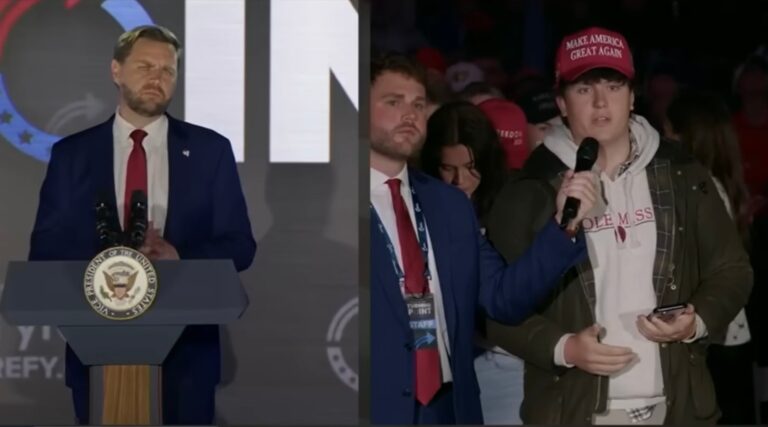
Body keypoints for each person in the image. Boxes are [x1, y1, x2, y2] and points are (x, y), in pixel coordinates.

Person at [484, 27, 753, 425]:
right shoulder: (529, 188)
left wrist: (695, 320)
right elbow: (498, 310)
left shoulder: (683, 174)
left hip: (678, 407)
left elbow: (732, 270)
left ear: (631, 97)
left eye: (613, 86)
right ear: (560, 102)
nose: (599, 102)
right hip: (572, 410)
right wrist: (563, 348)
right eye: (582, 90)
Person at [28, 25, 256, 425]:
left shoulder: (210, 151)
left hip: (187, 354)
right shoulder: (72, 156)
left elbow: (240, 245)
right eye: (146, 66)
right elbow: (45, 249)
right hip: (95, 345)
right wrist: (111, 265)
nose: (157, 78)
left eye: (168, 70)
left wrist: (178, 256)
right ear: (116, 70)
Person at [369, 52, 598, 424]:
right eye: (393, 102)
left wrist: (563, 226)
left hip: (449, 408)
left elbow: (502, 298)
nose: (409, 115)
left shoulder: (450, 205)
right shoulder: (335, 210)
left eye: (418, 104)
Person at [418, 100, 525, 424]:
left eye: (470, 167)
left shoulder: (515, 207)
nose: (459, 180)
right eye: (448, 168)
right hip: (434, 363)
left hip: (504, 360)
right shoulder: (415, 207)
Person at [667, 91, 756, 424]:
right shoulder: (715, 182)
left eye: (668, 130)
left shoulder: (702, 188)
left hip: (716, 333)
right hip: (725, 332)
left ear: (685, 134)